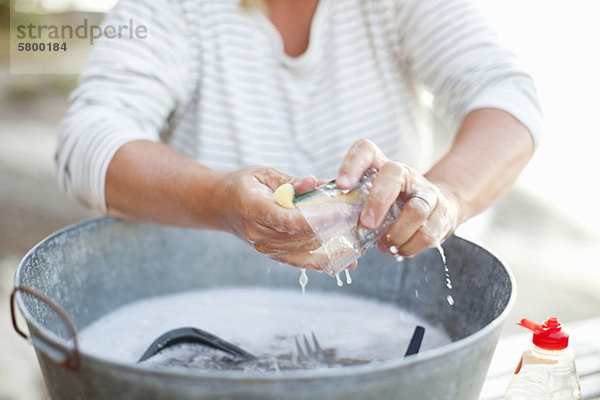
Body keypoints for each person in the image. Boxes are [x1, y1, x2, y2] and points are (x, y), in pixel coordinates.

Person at [56, 0, 541, 270]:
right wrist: (217, 200)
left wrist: (448, 195)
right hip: (204, 289)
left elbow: (505, 94)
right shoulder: (170, 9)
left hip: (390, 294)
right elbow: (88, 140)